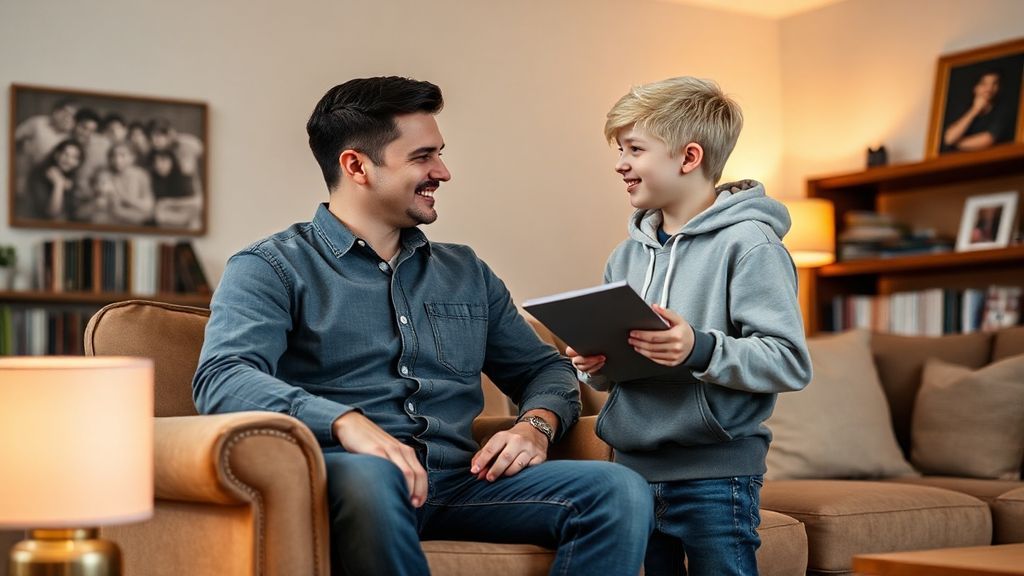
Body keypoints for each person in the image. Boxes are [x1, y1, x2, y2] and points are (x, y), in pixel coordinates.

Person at [192, 76, 653, 576]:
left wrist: (535, 426)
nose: (443, 172)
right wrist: (346, 424)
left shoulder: (466, 272)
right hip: (349, 480)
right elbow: (222, 378)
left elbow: (543, 370)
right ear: (356, 166)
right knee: (372, 477)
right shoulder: (271, 267)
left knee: (618, 489)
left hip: (460, 484)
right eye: (422, 157)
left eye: (440, 154)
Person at [568, 76, 813, 576]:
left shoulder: (749, 245)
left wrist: (698, 348)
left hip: (716, 477)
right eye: (619, 150)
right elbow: (618, 372)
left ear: (688, 157)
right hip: (631, 471)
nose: (620, 164)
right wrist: (595, 366)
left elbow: (788, 362)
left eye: (634, 149)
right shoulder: (625, 256)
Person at [942, 69, 1013, 152]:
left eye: (994, 83)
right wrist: (974, 110)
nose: (989, 88)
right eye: (984, 84)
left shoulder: (1003, 111)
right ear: (975, 88)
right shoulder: (962, 107)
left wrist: (955, 143)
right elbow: (949, 137)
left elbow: (988, 140)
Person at [24, 138, 84, 220]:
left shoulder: (72, 177)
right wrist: (59, 184)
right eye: (65, 154)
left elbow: (74, 212)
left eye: (74, 157)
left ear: (78, 162)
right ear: (57, 155)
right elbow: (52, 214)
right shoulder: (40, 174)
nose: (68, 160)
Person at [101, 142, 155, 225]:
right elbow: (113, 210)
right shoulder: (108, 176)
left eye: (122, 155)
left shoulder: (141, 174)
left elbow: (148, 206)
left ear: (132, 157)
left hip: (138, 222)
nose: (117, 160)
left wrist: (124, 198)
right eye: (114, 156)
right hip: (116, 223)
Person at [149, 149, 201, 229]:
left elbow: (196, 202)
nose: (159, 165)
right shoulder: (152, 179)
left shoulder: (183, 178)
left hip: (184, 215)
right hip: (163, 219)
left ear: (172, 162)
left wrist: (170, 202)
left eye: (163, 161)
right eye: (156, 162)